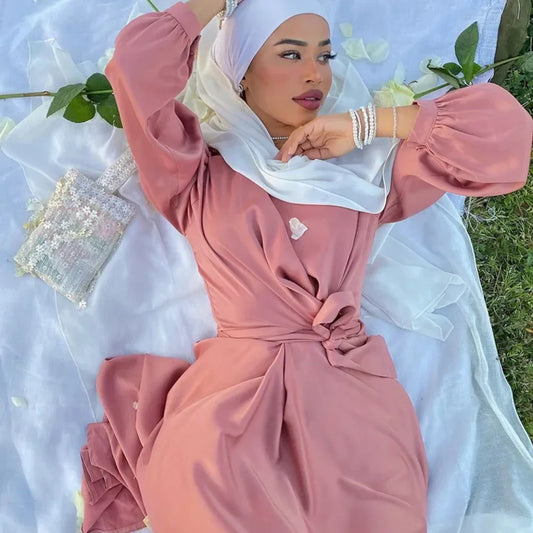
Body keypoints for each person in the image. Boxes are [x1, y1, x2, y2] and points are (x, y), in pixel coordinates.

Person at [79, 1, 532, 532]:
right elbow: (134, 69)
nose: (315, 72)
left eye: (325, 56)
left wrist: (369, 123)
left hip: (352, 405)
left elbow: (506, 139)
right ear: (242, 73)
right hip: (229, 411)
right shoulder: (195, 177)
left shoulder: (365, 176)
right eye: (291, 55)